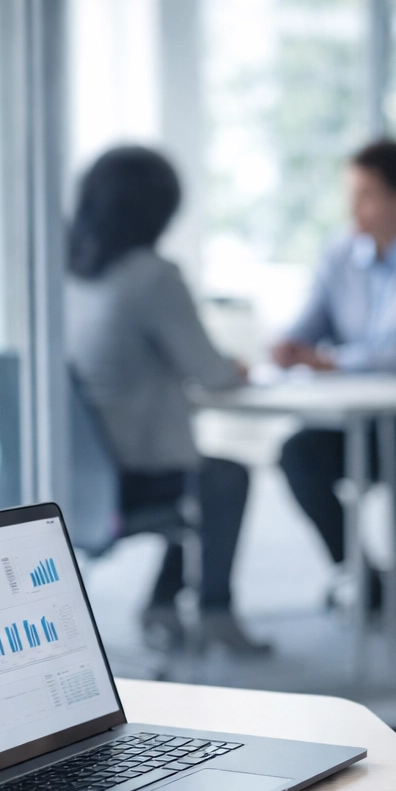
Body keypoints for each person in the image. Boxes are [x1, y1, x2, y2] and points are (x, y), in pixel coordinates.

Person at [65, 146, 266, 656]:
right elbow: (213, 374)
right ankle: (214, 612)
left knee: (202, 475)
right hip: (131, 476)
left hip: (74, 473)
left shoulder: (70, 273)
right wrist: (236, 366)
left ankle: (163, 604)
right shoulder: (152, 276)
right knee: (225, 478)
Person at [271, 138, 396, 616]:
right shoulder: (340, 254)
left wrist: (333, 362)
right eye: (351, 194)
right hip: (361, 419)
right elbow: (309, 324)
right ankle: (362, 573)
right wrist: (289, 345)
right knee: (298, 454)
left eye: (366, 195)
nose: (353, 208)